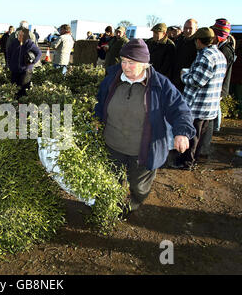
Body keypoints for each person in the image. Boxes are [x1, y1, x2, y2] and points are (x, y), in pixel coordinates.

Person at [94, 38, 195, 215]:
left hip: (143, 148)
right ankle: (113, 205)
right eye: (123, 61)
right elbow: (99, 103)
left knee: (139, 186)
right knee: (111, 181)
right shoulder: (111, 79)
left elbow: (180, 110)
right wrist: (95, 119)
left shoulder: (160, 85)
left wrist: (182, 133)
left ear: (144, 64)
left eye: (131, 63)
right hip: (112, 145)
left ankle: (134, 203)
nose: (125, 66)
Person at [177, 28, 227, 170]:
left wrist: (184, 74)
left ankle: (186, 163)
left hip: (198, 105)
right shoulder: (219, 55)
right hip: (210, 105)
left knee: (192, 136)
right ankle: (193, 159)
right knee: (199, 136)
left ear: (199, 41)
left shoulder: (206, 57)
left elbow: (197, 81)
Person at [200, 19, 236, 156]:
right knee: (209, 117)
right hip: (217, 87)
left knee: (209, 118)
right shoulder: (222, 48)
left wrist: (221, 91)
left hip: (218, 88)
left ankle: (204, 147)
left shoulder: (226, 50)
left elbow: (222, 73)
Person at [6, 28, 42, 98]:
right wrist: (10, 64)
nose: (20, 36)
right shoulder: (14, 42)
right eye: (19, 35)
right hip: (15, 70)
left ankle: (23, 105)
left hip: (26, 70)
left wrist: (33, 62)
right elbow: (8, 53)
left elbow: (39, 53)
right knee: (15, 89)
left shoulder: (29, 43)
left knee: (24, 89)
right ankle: (16, 104)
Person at [171, 19, 199, 92]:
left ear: (196, 29)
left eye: (190, 28)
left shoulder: (198, 45)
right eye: (185, 28)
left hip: (189, 83)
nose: (187, 30)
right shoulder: (180, 41)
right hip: (176, 80)